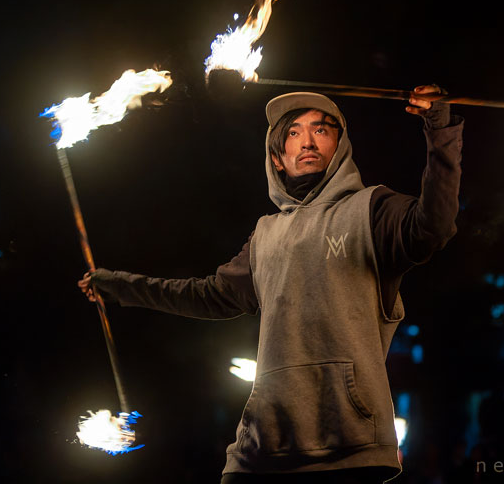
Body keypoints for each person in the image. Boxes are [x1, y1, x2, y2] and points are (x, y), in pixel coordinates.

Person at [79, 85, 463, 483]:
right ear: (277, 158)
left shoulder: (372, 210)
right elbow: (208, 295)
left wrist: (440, 128)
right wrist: (120, 287)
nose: (308, 141)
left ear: (340, 145)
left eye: (321, 129)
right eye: (293, 133)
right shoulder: (265, 235)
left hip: (350, 446)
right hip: (261, 447)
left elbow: (433, 226)